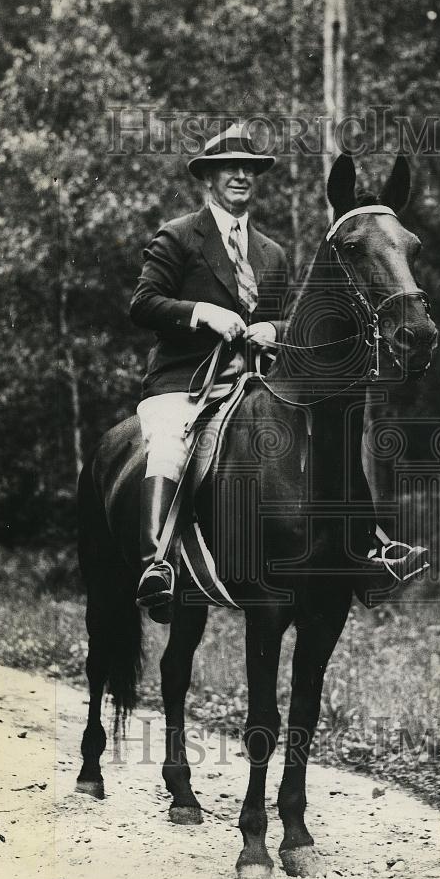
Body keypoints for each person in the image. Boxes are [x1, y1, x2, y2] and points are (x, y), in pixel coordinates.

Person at [129, 123, 290, 622]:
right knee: (171, 439)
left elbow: (286, 317)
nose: (240, 175)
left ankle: (367, 545)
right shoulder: (179, 236)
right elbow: (144, 303)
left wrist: (276, 331)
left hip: (256, 383)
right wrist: (203, 313)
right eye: (229, 168)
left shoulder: (272, 252)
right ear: (210, 178)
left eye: (249, 168)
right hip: (187, 383)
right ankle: (156, 563)